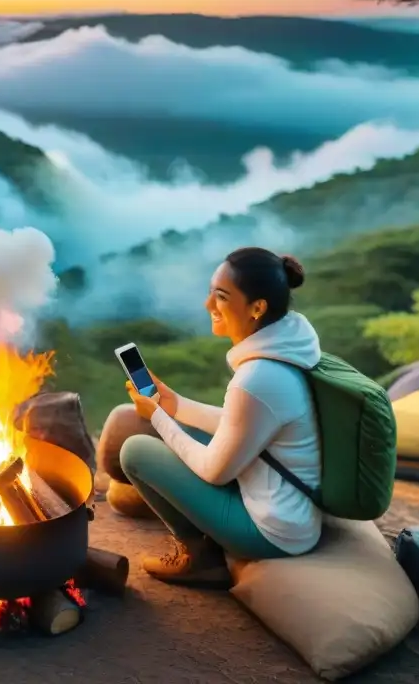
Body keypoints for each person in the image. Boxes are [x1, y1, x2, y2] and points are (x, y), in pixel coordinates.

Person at [108, 247, 322, 588]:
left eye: (220, 297)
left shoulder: (257, 378)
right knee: (182, 433)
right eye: (211, 293)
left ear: (257, 308)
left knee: (135, 450)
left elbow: (214, 471)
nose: (209, 305)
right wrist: (175, 405)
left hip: (271, 532)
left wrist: (160, 417)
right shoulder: (287, 351)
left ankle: (195, 556)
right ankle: (201, 527)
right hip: (291, 511)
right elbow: (245, 422)